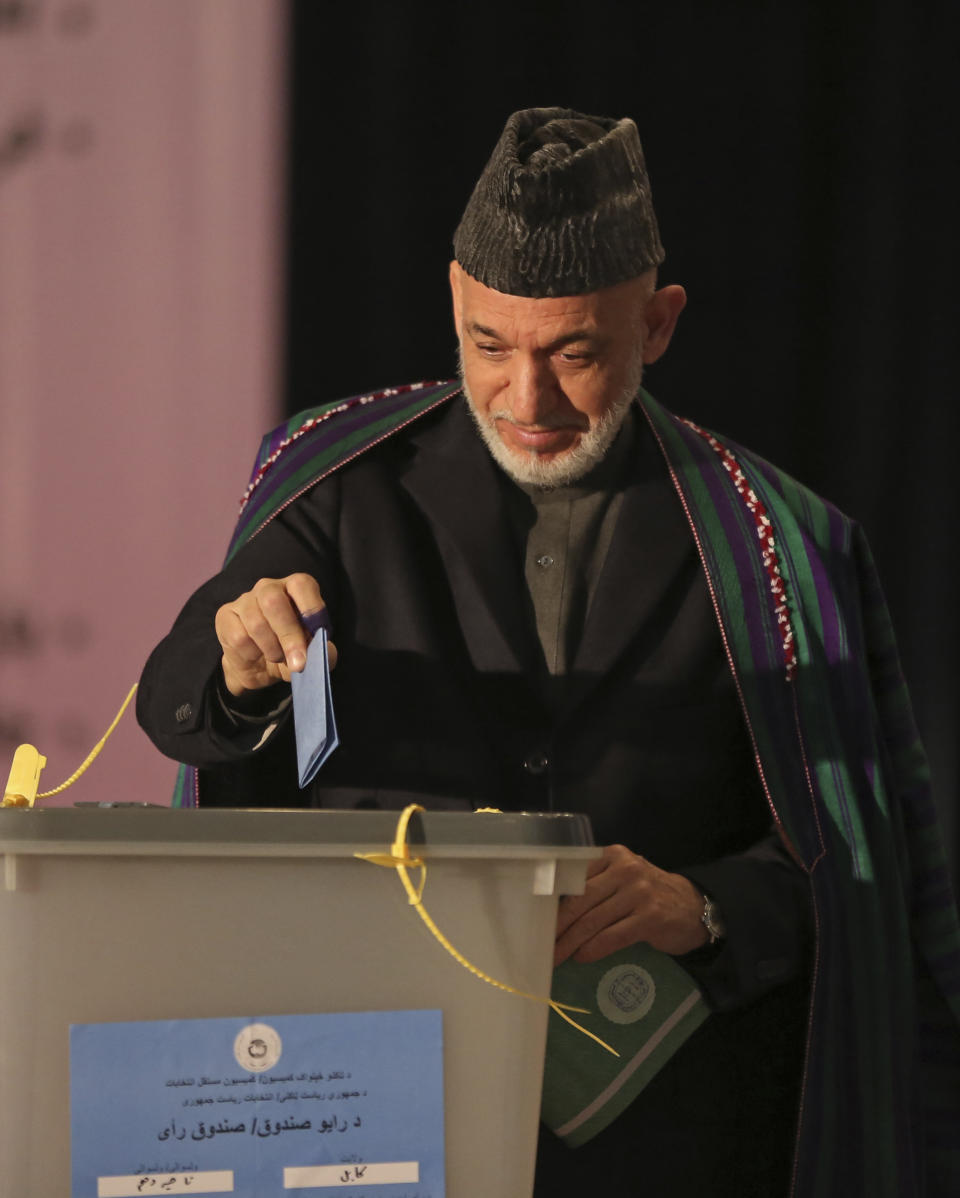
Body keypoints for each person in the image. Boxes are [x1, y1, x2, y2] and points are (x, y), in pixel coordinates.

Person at [138, 108, 960, 1197]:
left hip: (661, 1141)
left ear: (657, 324)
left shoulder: (777, 542)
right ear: (454, 303)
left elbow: (855, 878)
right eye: (490, 346)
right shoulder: (339, 478)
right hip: (363, 1113)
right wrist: (235, 661)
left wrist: (701, 906)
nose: (527, 401)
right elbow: (173, 706)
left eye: (575, 352)